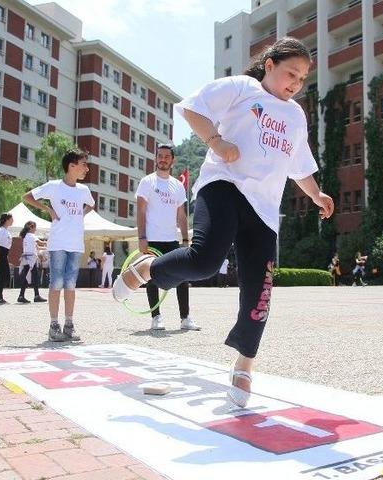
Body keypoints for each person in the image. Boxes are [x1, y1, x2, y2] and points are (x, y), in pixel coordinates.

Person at [112, 37, 334, 408]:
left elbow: (299, 162)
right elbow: (192, 109)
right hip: (224, 186)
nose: (295, 83)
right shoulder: (242, 88)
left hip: (263, 210)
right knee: (204, 262)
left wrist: (315, 194)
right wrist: (216, 142)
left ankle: (244, 365)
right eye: (289, 73)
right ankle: (146, 268)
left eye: (302, 78)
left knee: (259, 293)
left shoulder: (296, 115)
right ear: (269, 65)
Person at [23, 150, 95, 342]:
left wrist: (80, 214)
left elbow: (92, 205)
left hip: (76, 244)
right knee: (56, 284)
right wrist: (48, 209)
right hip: (58, 244)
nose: (87, 168)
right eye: (84, 164)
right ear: (72, 166)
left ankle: (69, 325)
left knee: (70, 286)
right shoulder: (54, 186)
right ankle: (53, 325)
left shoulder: (84, 190)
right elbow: (27, 197)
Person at [135, 143, 197, 331]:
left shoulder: (177, 185)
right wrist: (142, 237)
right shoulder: (147, 182)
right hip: (152, 239)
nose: (163, 159)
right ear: (156, 158)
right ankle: (156, 317)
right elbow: (140, 211)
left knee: (183, 277)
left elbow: (181, 215)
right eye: (160, 156)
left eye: (166, 156)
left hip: (172, 240)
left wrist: (185, 240)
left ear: (172, 160)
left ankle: (185, 318)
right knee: (152, 278)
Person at [18, 221, 47, 304]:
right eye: (35, 227)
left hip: (26, 258)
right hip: (31, 259)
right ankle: (34, 296)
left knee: (30, 276)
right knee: (34, 277)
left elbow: (37, 246)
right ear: (31, 227)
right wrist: (49, 243)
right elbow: (39, 243)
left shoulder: (25, 236)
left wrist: (46, 247)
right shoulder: (31, 235)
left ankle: (23, 295)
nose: (35, 229)